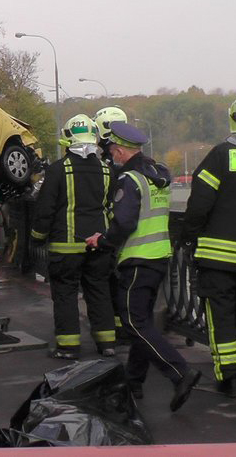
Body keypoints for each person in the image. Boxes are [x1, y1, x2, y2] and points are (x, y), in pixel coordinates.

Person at [86, 121, 201, 411]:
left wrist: (102, 241)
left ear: (122, 151)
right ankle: (134, 381)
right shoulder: (158, 174)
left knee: (134, 324)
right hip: (160, 256)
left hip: (137, 260)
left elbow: (125, 222)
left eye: (112, 152)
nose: (111, 157)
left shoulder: (130, 180)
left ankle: (180, 373)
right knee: (143, 321)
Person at [30, 114, 116, 359]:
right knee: (99, 291)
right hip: (99, 246)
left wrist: (37, 237)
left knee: (65, 295)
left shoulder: (58, 171)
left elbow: (45, 209)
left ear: (67, 140)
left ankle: (68, 347)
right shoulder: (106, 170)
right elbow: (110, 207)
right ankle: (107, 343)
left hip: (65, 248)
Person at [180, 99, 236, 395]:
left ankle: (229, 376)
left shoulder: (220, 156)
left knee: (223, 315)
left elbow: (200, 203)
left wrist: (189, 236)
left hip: (219, 258)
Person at [93, 105, 130, 342]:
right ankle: (123, 327)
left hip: (116, 233)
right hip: (132, 235)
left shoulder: (110, 166)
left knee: (114, 283)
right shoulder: (132, 160)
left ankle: (120, 328)